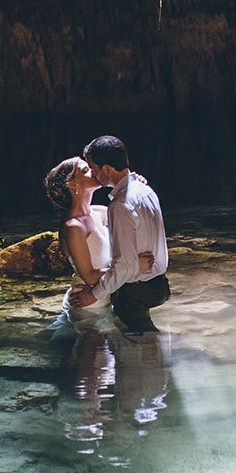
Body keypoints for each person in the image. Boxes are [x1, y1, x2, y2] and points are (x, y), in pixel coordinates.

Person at [71, 135, 170, 333]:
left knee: (137, 348)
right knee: (149, 347)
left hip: (136, 291)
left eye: (94, 168)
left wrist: (94, 295)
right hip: (159, 284)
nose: (92, 173)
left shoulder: (119, 206)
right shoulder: (145, 190)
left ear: (106, 169)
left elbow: (123, 267)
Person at [43, 155, 154, 321]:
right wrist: (135, 267)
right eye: (86, 170)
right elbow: (88, 275)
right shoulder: (73, 226)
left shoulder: (100, 212)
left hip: (106, 296)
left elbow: (134, 221)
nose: (95, 171)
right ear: (71, 184)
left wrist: (134, 184)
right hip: (86, 304)